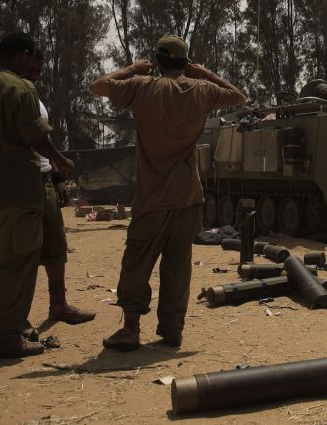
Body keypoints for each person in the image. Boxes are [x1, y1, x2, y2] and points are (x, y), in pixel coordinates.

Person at [90, 35, 246, 351]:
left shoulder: (144, 87)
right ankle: (172, 332)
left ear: (158, 60)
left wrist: (133, 68)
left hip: (152, 198)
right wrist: (203, 72)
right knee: (177, 267)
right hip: (188, 195)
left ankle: (131, 329)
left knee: (137, 262)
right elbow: (238, 97)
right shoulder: (201, 91)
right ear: (184, 62)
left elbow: (98, 86)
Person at [0, 31, 75, 360]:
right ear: (23, 54)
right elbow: (35, 135)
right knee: (16, 266)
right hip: (17, 192)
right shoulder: (19, 88)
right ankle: (6, 337)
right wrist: (61, 161)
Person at [24, 53, 96, 326]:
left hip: (44, 180)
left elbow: (44, 142)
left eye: (40, 69)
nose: (36, 73)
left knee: (56, 248)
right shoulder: (13, 95)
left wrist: (57, 178)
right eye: (32, 68)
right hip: (23, 181)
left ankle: (59, 305)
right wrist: (64, 161)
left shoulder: (36, 100)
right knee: (24, 252)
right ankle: (17, 317)